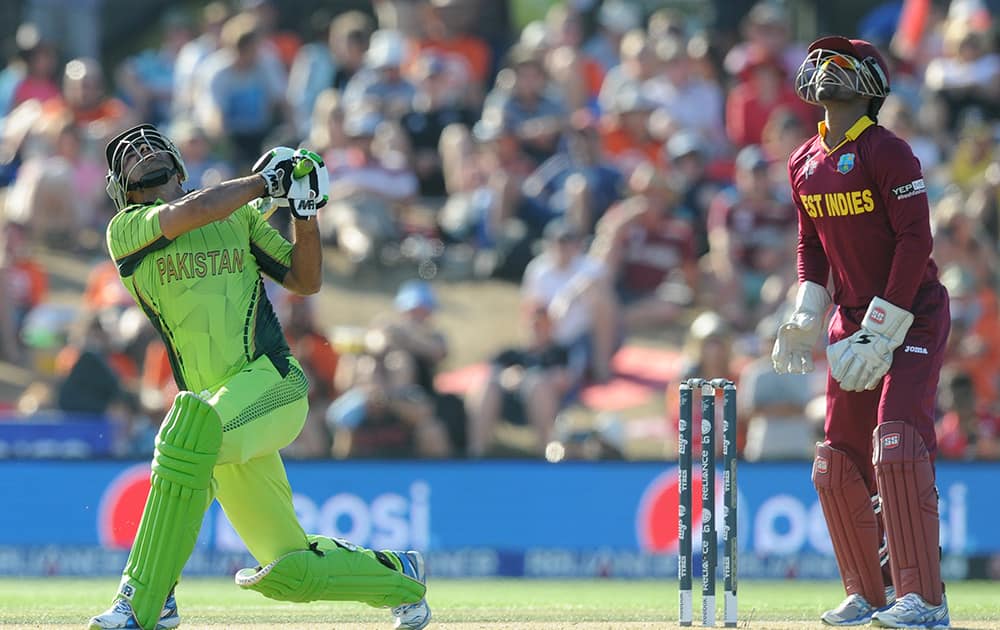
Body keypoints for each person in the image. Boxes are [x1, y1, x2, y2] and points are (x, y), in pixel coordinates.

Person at [87, 123, 430, 630]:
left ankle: (147, 599)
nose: (141, 152)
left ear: (179, 167)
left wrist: (303, 214)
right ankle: (400, 577)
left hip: (272, 384)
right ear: (122, 192)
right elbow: (194, 211)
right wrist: (264, 184)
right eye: (129, 156)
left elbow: (305, 280)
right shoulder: (128, 231)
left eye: (152, 145)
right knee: (292, 570)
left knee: (186, 433)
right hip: (217, 418)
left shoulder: (240, 221)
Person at [771, 37, 950, 628]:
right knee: (836, 460)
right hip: (851, 322)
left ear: (871, 82)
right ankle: (867, 595)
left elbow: (915, 240)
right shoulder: (802, 161)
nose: (824, 67)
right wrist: (804, 313)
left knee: (896, 439)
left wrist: (884, 325)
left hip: (913, 312)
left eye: (840, 60)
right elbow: (809, 248)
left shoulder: (887, 150)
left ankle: (924, 600)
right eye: (819, 58)